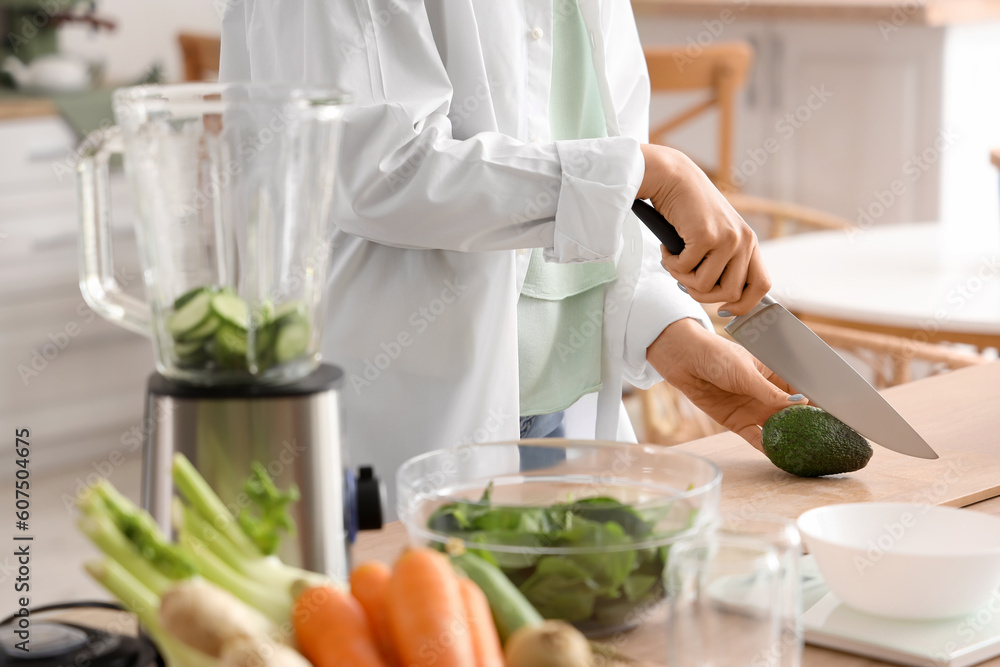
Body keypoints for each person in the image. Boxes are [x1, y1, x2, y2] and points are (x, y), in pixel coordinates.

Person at [219, 0, 802, 503]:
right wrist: (650, 171)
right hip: (405, 420)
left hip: (566, 418)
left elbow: (577, 166)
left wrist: (665, 330)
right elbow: (377, 168)